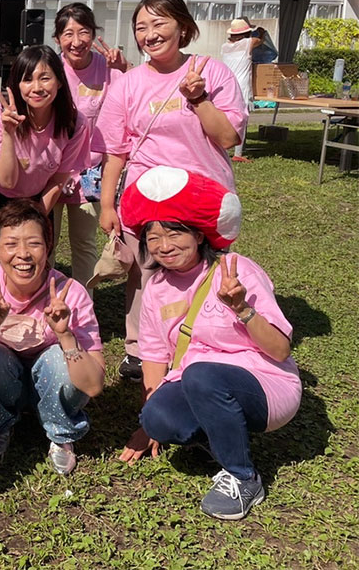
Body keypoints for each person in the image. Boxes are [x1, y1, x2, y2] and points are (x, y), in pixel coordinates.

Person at [117, 166, 300, 521]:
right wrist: (146, 425)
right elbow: (153, 355)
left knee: (202, 374)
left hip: (264, 383)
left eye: (174, 233)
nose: (164, 246)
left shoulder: (237, 270)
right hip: (198, 382)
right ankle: (218, 436)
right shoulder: (156, 288)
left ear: (199, 234)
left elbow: (280, 350)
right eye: (153, 237)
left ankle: (244, 477)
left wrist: (242, 308)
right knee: (158, 417)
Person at [94, 0, 247, 382]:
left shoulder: (211, 73)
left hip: (203, 199)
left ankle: (204, 346)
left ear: (183, 27)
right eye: (141, 27)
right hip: (148, 201)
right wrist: (107, 205)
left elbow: (228, 137)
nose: (150, 34)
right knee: (146, 276)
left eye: (159, 23)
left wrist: (199, 99)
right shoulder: (128, 84)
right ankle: (140, 351)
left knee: (204, 275)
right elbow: (115, 152)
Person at [0, 200, 104, 472]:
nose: (23, 254)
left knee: (61, 356)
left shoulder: (70, 294)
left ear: (48, 248)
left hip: (49, 383)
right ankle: (1, 422)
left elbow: (94, 386)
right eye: (11, 244)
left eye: (34, 244)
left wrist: (65, 335)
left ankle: (60, 431)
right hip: (5, 382)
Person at [0, 45, 88, 271]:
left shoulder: (74, 123)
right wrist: (9, 133)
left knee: (35, 257)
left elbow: (58, 179)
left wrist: (34, 217)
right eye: (27, 79)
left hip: (37, 194)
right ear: (17, 84)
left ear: (59, 81)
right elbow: (6, 181)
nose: (36, 88)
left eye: (45, 78)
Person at [51, 3, 127, 293]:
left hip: (91, 174)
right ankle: (43, 303)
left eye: (83, 32)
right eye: (68, 34)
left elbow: (132, 98)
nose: (76, 41)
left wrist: (124, 68)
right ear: (57, 38)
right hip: (51, 170)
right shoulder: (51, 69)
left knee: (84, 243)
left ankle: (85, 305)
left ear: (94, 34)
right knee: (45, 241)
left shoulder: (107, 69)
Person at [220, 18, 268, 162]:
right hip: (241, 86)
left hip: (227, 85)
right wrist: (261, 32)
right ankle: (238, 153)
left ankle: (222, 148)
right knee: (242, 118)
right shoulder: (248, 43)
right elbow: (260, 39)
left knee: (226, 118)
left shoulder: (225, 47)